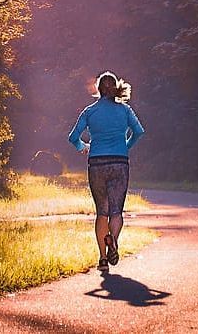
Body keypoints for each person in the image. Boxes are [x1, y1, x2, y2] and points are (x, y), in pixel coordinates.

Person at [68, 71, 145, 272]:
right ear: (115, 88)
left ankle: (103, 259)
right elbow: (139, 131)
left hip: (96, 163)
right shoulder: (125, 110)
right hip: (119, 162)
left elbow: (73, 137)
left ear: (98, 89)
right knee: (116, 211)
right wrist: (125, 146)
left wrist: (82, 146)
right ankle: (114, 241)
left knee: (102, 212)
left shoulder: (89, 111)